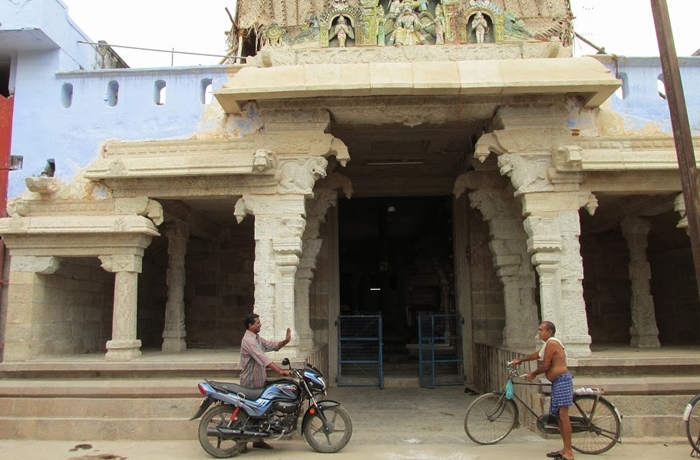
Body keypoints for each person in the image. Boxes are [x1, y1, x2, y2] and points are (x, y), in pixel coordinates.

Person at [511, 321, 574, 460]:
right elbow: (536, 355)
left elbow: (546, 365)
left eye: (541, 330)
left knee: (563, 416)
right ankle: (564, 449)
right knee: (559, 416)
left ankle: (569, 452)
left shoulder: (552, 343)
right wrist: (520, 361)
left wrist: (532, 374)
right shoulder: (547, 344)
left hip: (562, 381)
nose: (539, 332)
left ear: (549, 331)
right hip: (556, 382)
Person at [240, 313, 292, 450]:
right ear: (250, 325)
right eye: (257, 322)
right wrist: (280, 370)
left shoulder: (256, 338)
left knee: (262, 409)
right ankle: (242, 442)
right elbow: (263, 358)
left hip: (259, 380)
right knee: (248, 412)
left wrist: (285, 341)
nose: (260, 324)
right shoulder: (249, 340)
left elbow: (270, 345)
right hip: (250, 382)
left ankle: (258, 440)